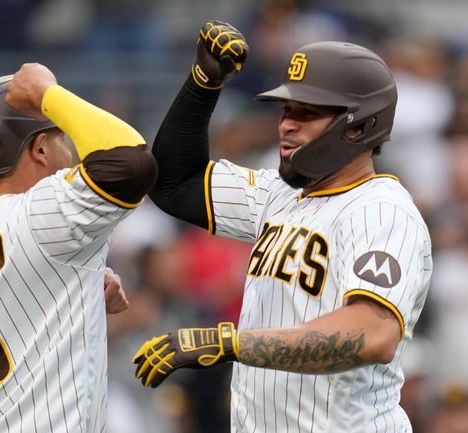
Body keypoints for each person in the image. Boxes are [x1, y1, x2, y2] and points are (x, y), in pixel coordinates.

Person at [132, 21, 433, 432]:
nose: (286, 125)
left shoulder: (381, 210)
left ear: (360, 125)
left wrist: (231, 343)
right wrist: (203, 85)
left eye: (307, 113)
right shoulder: (278, 192)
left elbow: (372, 334)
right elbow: (173, 183)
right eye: (286, 110)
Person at [0, 64, 157, 432]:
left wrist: (72, 290)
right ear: (39, 148)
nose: (70, 151)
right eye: (62, 138)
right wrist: (47, 96)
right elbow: (132, 161)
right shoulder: (40, 212)